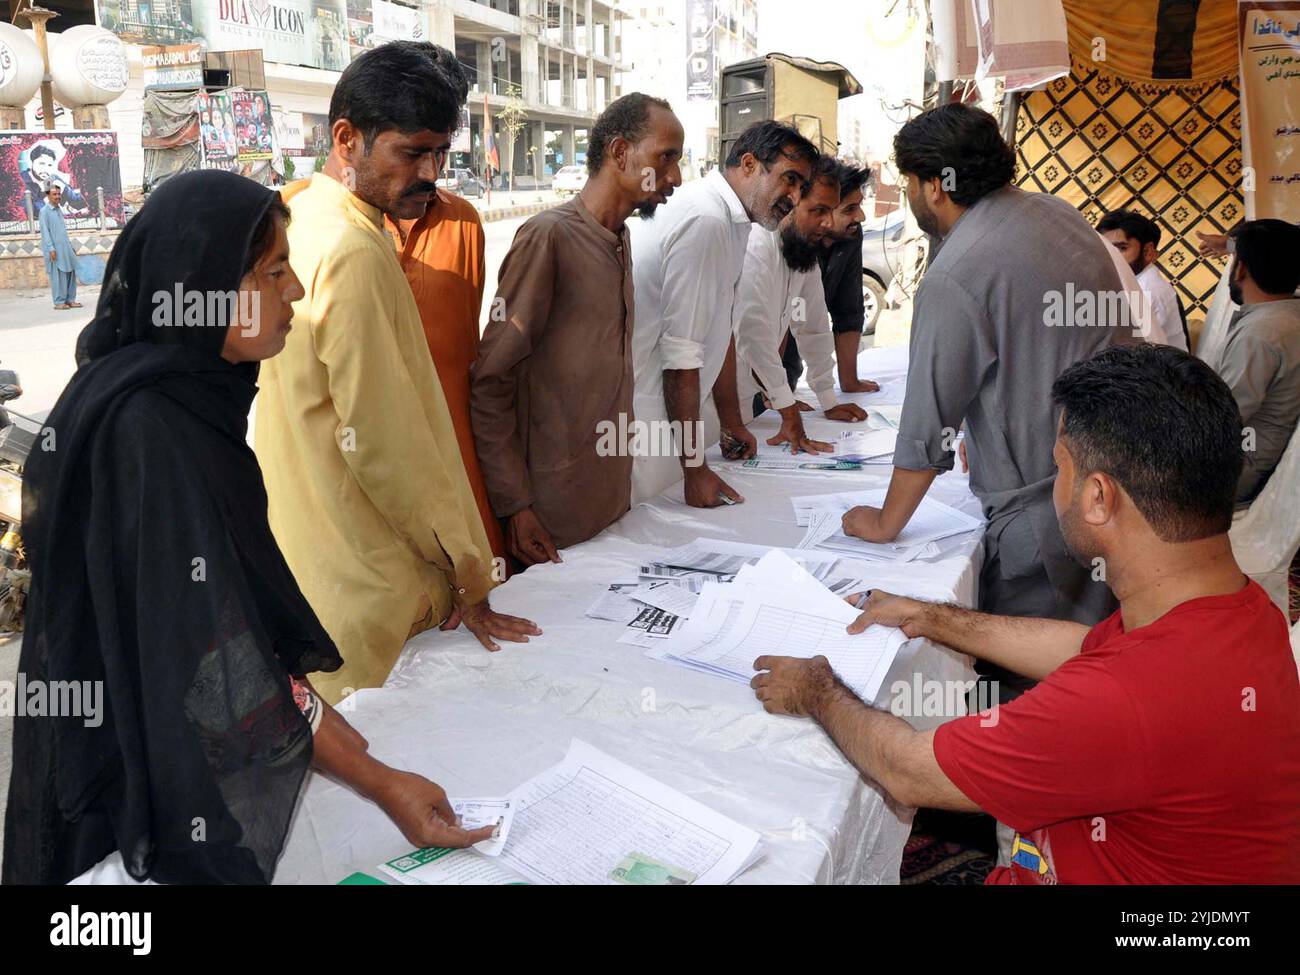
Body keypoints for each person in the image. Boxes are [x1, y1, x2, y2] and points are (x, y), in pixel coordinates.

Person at [3, 170, 495, 886]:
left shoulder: (179, 394)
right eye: (272, 272)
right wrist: (379, 779)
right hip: (126, 793)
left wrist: (349, 747)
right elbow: (223, 664)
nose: (294, 290)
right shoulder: (155, 434)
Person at [752, 344, 1300, 884]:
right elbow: (1086, 648)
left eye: (1059, 467)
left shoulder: (1120, 702)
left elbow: (907, 772)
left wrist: (817, 688)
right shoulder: (1241, 610)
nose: (1054, 487)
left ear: (1099, 498)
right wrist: (932, 616)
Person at [255, 41, 540, 705]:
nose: (430, 172)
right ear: (347, 139)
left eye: (440, 153)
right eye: (411, 153)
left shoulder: (299, 223)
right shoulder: (353, 248)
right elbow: (387, 448)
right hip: (370, 606)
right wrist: (469, 571)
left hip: (314, 577)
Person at [843, 104, 1138, 690]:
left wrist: (884, 522)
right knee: (1099, 655)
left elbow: (927, 426)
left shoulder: (957, 272)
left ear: (935, 184)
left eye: (907, 184)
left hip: (1046, 514)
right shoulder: (1056, 214)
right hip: (1120, 474)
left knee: (1035, 684)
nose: (908, 198)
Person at [471, 93, 685, 566]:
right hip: (551, 523)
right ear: (619, 152)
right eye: (665, 158)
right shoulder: (549, 237)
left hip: (610, 506)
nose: (675, 178)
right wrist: (516, 507)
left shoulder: (619, 237)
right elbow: (490, 383)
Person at [629, 120, 818, 507]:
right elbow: (681, 355)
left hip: (673, 420)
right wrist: (694, 468)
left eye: (802, 187)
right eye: (790, 180)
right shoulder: (707, 219)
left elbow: (721, 329)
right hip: (646, 420)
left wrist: (731, 423)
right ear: (749, 164)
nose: (795, 197)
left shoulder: (736, 221)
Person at [733, 154, 868, 452]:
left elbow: (812, 326)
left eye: (831, 211)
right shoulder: (757, 244)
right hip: (716, 402)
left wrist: (827, 398)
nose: (828, 223)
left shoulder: (803, 251)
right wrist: (786, 404)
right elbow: (752, 334)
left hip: (749, 399)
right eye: (818, 210)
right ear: (791, 202)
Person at [1206, 218, 1300, 504]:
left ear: (1241, 269)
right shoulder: (1286, 316)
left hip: (1238, 466)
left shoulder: (1262, 333)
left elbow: (1221, 418)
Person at [821, 161, 881, 393]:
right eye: (849, 209)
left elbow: (848, 310)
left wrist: (850, 382)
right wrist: (776, 394)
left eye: (859, 205)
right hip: (758, 379)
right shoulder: (787, 240)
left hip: (787, 379)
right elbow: (776, 324)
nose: (861, 217)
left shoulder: (850, 235)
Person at [1097, 208, 1189, 351]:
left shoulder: (1148, 292)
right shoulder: (1133, 285)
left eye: (1121, 248)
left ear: (1148, 252)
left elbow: (1131, 353)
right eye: (1105, 248)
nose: (1111, 257)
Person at [39, 184, 80, 310]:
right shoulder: (44, 211)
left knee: (70, 273)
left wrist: (70, 246)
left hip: (65, 248)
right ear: (48, 195)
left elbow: (62, 231)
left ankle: (70, 300)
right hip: (54, 249)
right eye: (54, 194)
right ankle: (59, 302)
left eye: (58, 194)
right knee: (58, 275)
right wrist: (51, 248)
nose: (57, 196)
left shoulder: (59, 209)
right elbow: (45, 232)